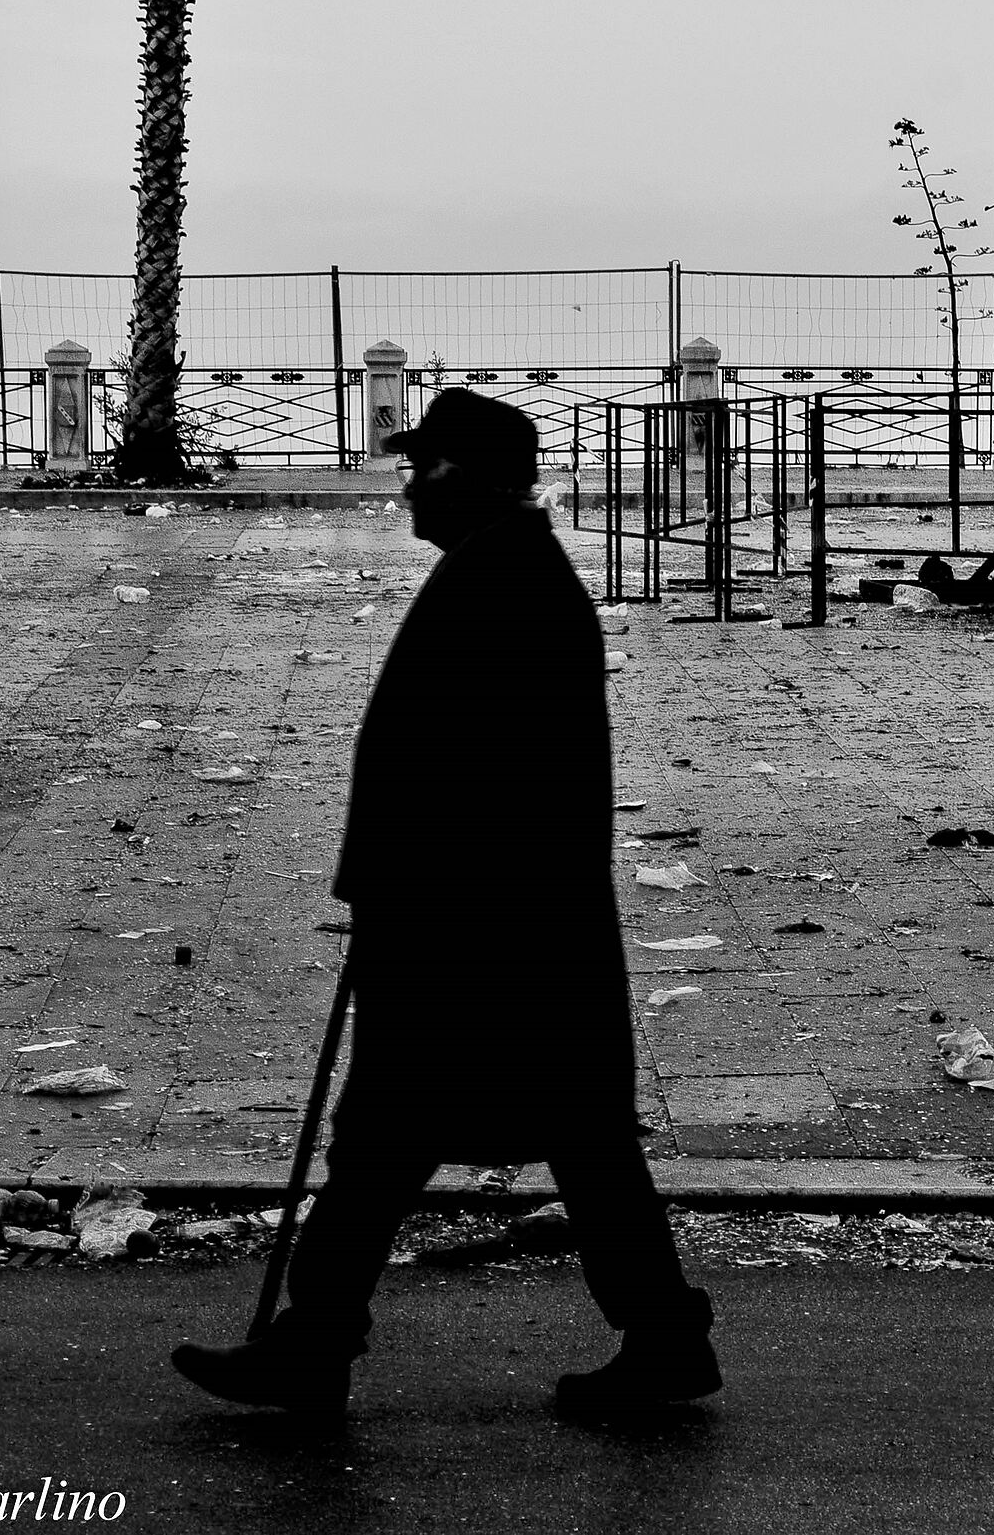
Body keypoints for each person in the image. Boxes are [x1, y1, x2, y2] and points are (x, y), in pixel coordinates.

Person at [171, 389, 718, 1420]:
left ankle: (319, 1341)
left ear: (466, 476)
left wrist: (393, 891)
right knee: (542, 1136)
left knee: (402, 1134)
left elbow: (471, 776)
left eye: (421, 468)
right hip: (500, 923)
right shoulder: (502, 569)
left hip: (478, 929)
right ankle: (655, 1336)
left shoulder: (502, 580)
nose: (408, 488)